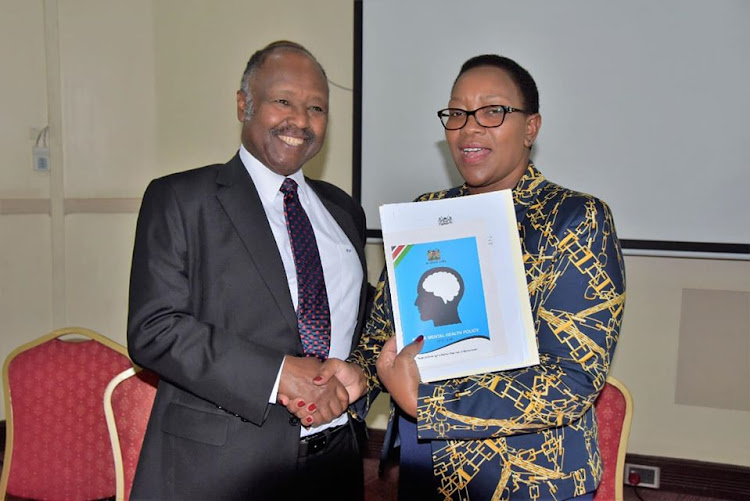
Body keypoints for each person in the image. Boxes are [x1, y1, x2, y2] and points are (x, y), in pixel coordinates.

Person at [306, 54, 626, 500]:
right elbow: (386, 327)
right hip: (426, 459)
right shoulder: (425, 212)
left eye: (492, 111)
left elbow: (573, 378)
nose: (469, 127)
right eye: (457, 113)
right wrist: (359, 375)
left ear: (531, 128)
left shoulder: (574, 218)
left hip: (527, 475)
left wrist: (429, 405)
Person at [127, 41, 369, 500]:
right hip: (223, 468)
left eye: (316, 107)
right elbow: (154, 331)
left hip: (336, 457)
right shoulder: (180, 199)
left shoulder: (343, 212)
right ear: (244, 105)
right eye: (283, 101)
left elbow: (353, 322)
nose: (300, 120)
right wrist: (278, 374)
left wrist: (359, 373)